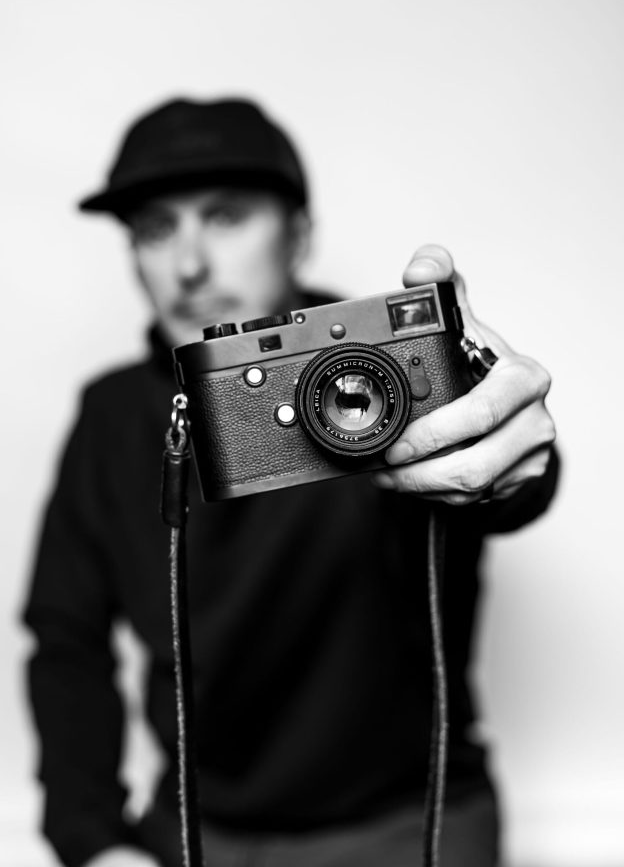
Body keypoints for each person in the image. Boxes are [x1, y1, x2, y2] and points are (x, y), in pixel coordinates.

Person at [22, 97, 558, 867]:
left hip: (410, 822)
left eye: (227, 216)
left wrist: (511, 456)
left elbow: (504, 475)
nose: (190, 264)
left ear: (299, 235)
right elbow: (65, 640)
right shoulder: (112, 414)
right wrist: (95, 840)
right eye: (155, 229)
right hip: (196, 828)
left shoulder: (384, 370)